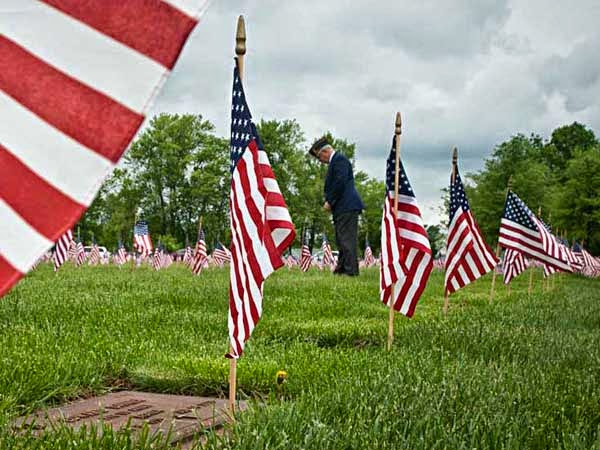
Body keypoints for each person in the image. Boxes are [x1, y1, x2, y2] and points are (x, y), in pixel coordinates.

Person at [309, 137, 364, 276]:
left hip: (347, 205)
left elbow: (340, 182)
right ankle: (342, 268)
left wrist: (330, 201)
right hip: (342, 207)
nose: (321, 160)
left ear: (325, 151)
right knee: (341, 239)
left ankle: (350, 271)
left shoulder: (340, 160)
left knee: (347, 239)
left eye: (320, 157)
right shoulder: (337, 161)